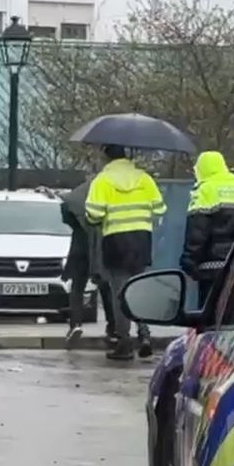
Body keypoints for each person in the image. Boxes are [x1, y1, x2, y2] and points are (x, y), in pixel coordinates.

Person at [84, 145, 166, 361]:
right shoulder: (144, 178)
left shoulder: (102, 181)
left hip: (116, 241)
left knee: (120, 294)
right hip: (141, 240)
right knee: (139, 290)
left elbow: (94, 213)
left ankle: (124, 343)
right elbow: (159, 208)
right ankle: (145, 335)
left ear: (106, 158)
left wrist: (97, 219)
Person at [180, 151, 234, 308]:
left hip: (213, 269)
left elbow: (197, 231)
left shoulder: (205, 190)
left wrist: (189, 262)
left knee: (211, 313)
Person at [60, 177, 118, 348]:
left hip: (80, 244)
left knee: (78, 286)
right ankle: (112, 327)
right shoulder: (107, 191)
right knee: (105, 286)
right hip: (101, 243)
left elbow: (66, 212)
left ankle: (75, 324)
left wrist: (80, 225)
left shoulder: (78, 194)